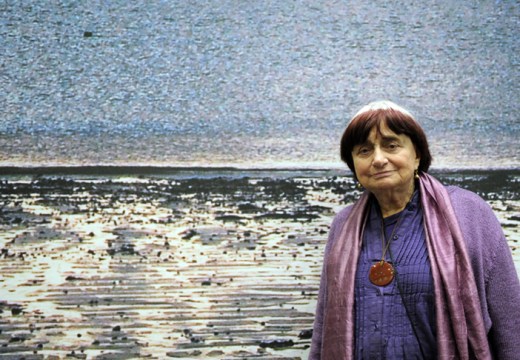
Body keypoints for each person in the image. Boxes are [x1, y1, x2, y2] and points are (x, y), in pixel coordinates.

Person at [309, 100, 520, 359]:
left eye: (391, 145)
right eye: (364, 151)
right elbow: (324, 323)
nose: (378, 159)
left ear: (417, 154)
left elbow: (509, 320)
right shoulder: (343, 224)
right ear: (353, 165)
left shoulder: (468, 212)